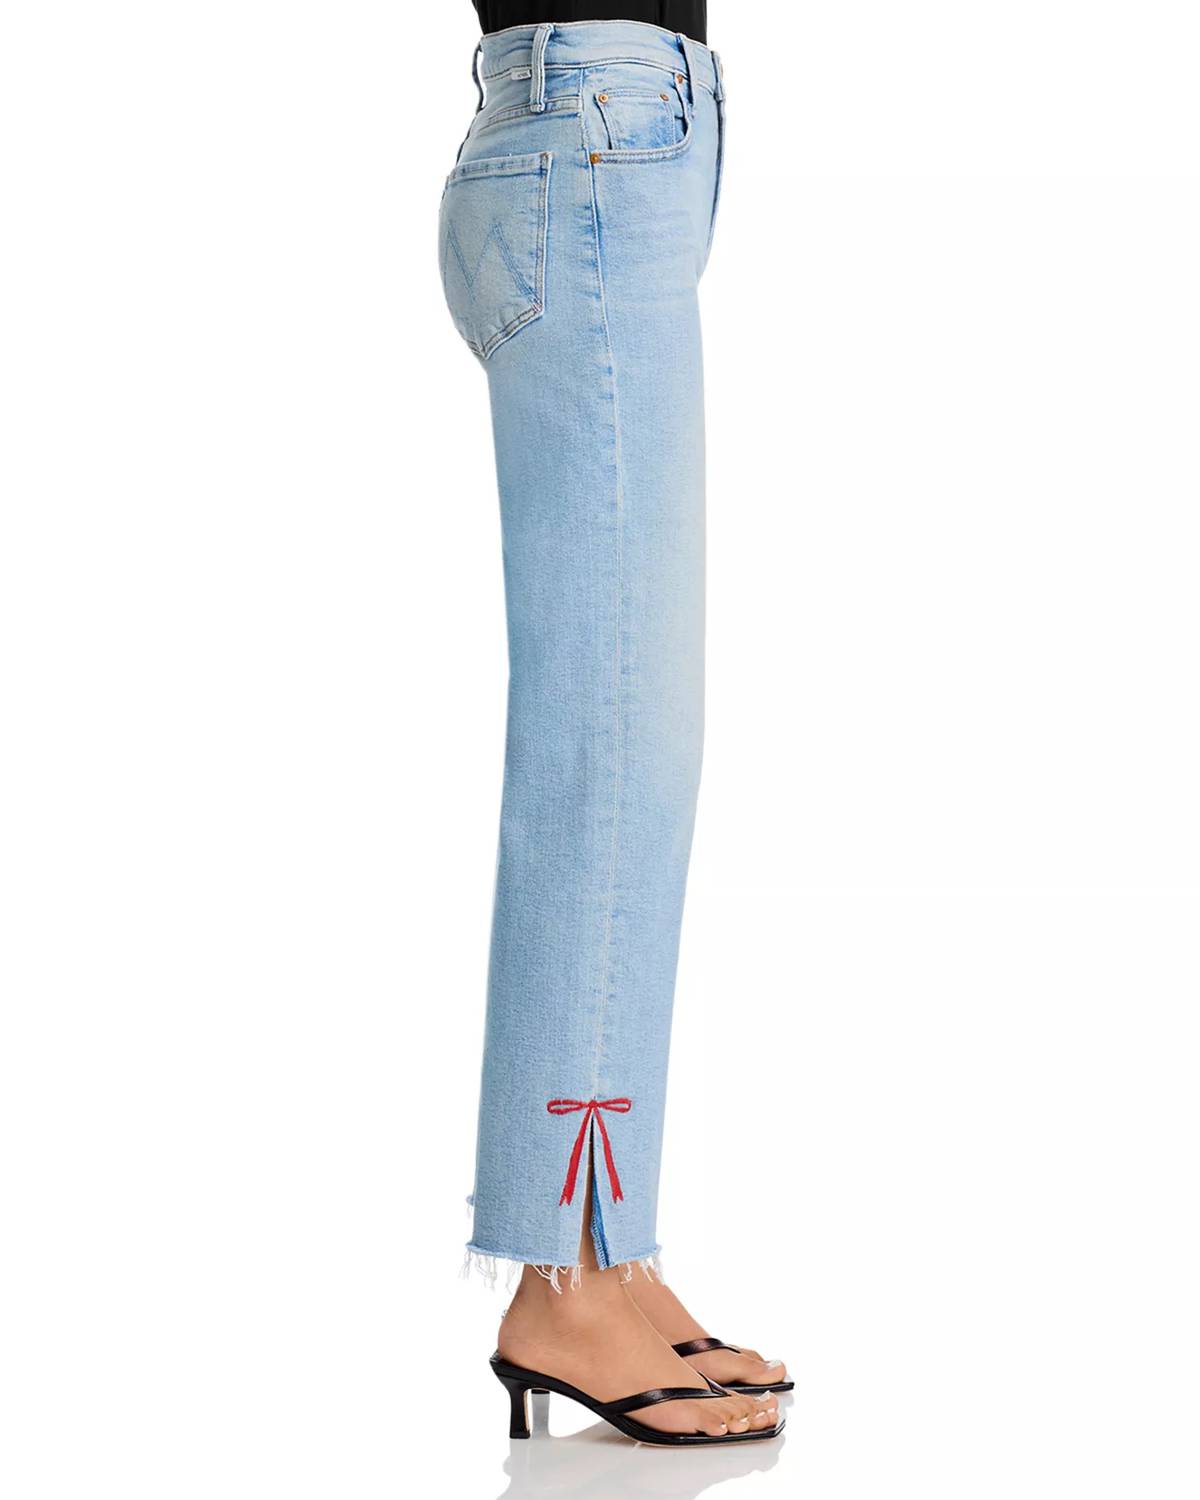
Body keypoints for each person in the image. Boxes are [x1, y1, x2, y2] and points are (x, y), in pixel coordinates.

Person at [438, 7, 788, 1445]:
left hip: (610, 134)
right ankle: (564, 1277)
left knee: (638, 735)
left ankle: (609, 1250)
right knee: (613, 734)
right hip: (593, 134)